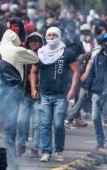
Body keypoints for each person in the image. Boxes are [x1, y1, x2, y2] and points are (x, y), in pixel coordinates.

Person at [32, 27, 79, 162]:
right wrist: (34, 89)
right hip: (44, 95)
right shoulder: (40, 53)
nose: (51, 37)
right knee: (45, 124)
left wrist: (73, 89)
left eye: (54, 35)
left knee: (58, 124)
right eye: (49, 35)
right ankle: (46, 151)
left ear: (59, 36)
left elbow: (75, 71)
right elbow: (33, 72)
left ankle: (59, 150)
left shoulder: (67, 53)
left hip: (61, 95)